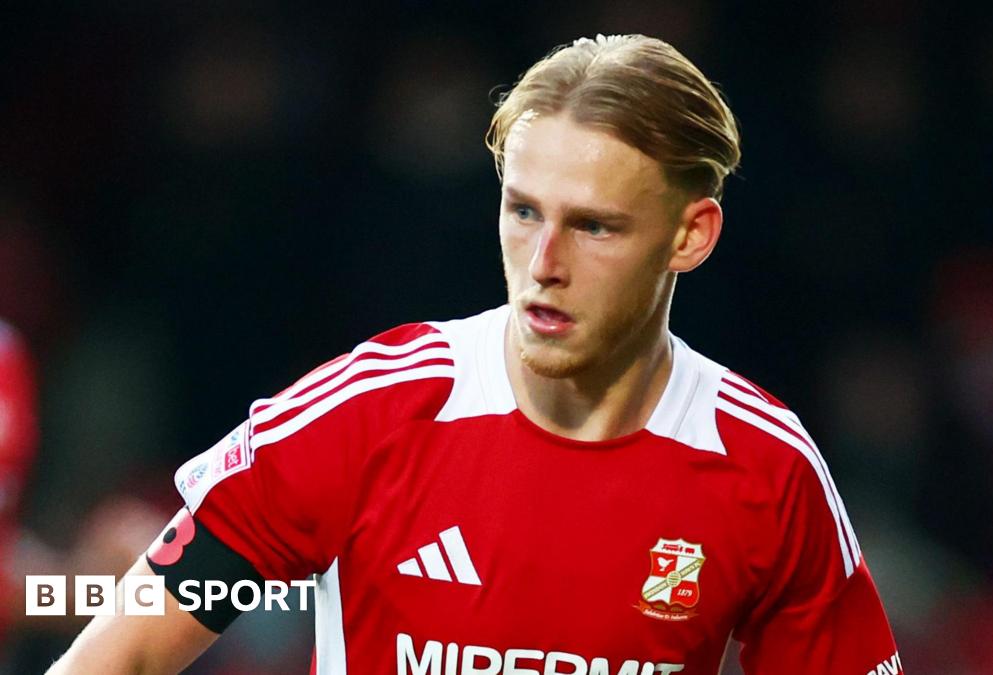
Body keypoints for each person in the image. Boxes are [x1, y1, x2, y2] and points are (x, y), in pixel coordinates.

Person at [49, 34, 901, 674]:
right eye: (523, 211)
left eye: (594, 226)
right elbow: (119, 651)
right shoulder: (368, 414)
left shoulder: (767, 469)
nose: (545, 264)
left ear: (691, 234)